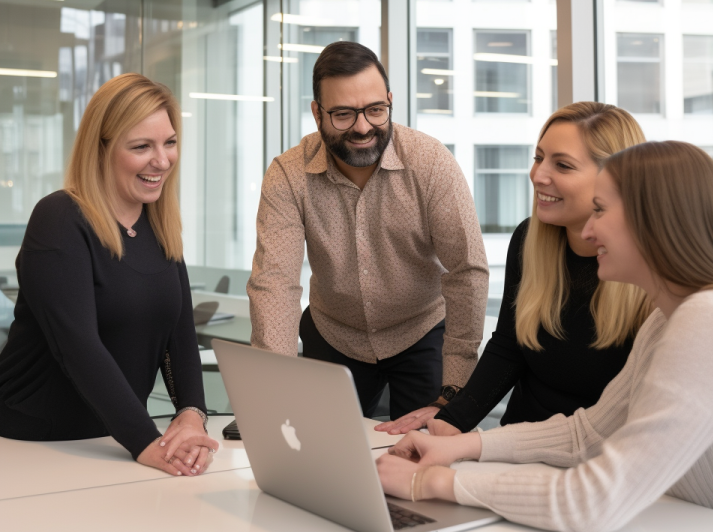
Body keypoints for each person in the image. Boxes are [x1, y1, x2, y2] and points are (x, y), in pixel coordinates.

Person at [377, 141, 713, 532]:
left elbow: (594, 501)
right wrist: (460, 447)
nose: (589, 227)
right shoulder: (671, 317)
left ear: (652, 222)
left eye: (601, 210)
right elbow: (590, 434)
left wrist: (433, 485)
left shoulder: (711, 321)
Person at [248, 41, 488, 419]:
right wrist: (275, 390)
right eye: (343, 114)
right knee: (321, 454)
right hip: (334, 333)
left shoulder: (431, 163)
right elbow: (275, 284)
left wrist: (455, 384)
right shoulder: (288, 174)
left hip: (421, 332)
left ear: (390, 101)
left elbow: (467, 272)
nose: (363, 127)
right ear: (317, 113)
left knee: (424, 458)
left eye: (376, 110)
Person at [376, 102, 649, 436]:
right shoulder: (528, 240)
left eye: (562, 165)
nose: (538, 175)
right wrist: (449, 420)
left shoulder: (651, 273)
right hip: (516, 442)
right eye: (538, 158)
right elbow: (510, 347)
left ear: (613, 179)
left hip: (601, 459)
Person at [0, 73, 218, 476]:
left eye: (169, 142)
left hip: (114, 438)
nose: (162, 159)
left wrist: (191, 413)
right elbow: (78, 345)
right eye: (141, 147)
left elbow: (179, 334)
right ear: (100, 149)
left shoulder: (160, 223)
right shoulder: (61, 218)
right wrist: (145, 441)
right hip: (40, 440)